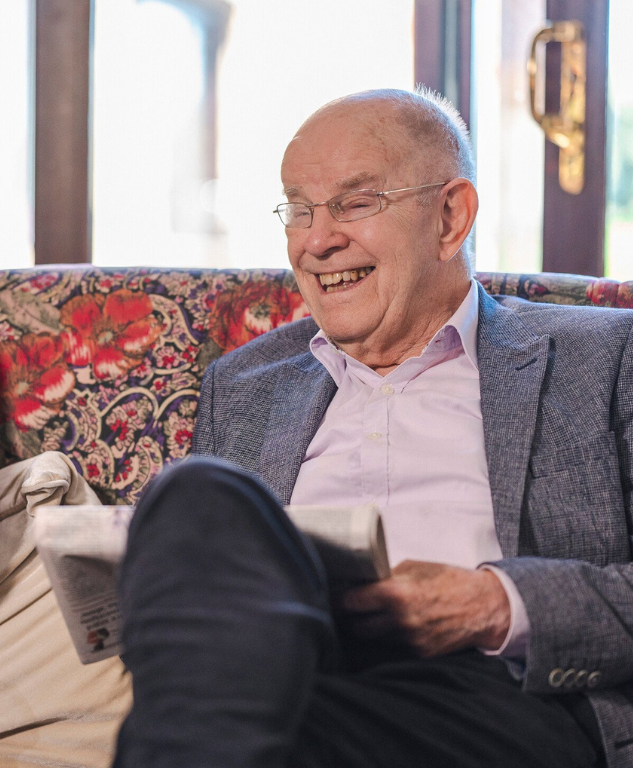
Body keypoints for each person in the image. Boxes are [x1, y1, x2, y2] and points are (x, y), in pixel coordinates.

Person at [113, 88, 633, 768]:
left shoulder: (602, 357)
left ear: (451, 217)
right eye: (299, 210)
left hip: (498, 698)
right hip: (291, 682)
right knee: (197, 496)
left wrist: (495, 603)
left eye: (356, 204)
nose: (318, 240)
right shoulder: (243, 384)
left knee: (222, 733)